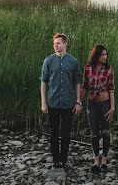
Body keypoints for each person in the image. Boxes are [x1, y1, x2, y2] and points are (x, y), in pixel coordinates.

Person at [40, 32, 82, 169]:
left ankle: (63, 159)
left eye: (58, 43)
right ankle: (55, 159)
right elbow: (44, 82)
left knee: (65, 133)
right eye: (54, 44)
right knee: (53, 132)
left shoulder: (73, 61)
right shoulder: (48, 61)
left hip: (68, 103)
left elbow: (77, 82)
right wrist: (43, 102)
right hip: (52, 102)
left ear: (65, 44)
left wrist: (78, 101)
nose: (55, 46)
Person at [81, 43, 115, 173]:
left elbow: (112, 90)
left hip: (105, 103)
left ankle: (104, 159)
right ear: (96, 55)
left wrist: (112, 107)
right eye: (102, 54)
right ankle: (96, 159)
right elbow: (84, 86)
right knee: (94, 134)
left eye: (106, 54)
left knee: (106, 132)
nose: (105, 57)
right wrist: (78, 101)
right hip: (92, 103)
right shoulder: (88, 68)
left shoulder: (109, 69)